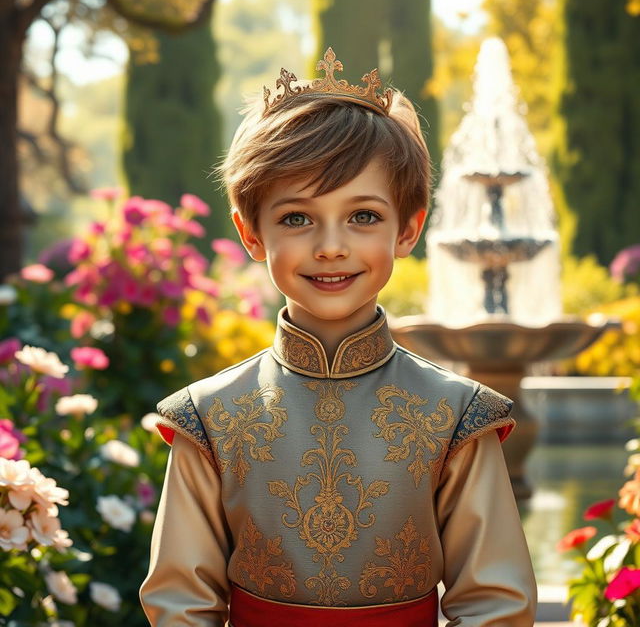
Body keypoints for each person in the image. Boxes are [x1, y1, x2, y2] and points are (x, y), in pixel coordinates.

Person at [139, 47, 537, 627]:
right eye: (297, 218)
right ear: (251, 234)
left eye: (364, 217)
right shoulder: (208, 417)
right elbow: (181, 606)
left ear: (409, 228)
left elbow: (496, 603)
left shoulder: (455, 415)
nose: (331, 245)